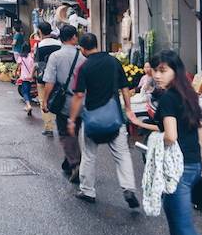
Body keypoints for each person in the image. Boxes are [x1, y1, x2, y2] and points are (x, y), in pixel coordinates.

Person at [128, 50, 202, 235]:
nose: (157, 75)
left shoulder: (168, 100)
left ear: (175, 71)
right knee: (175, 221)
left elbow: (171, 135)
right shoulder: (189, 95)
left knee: (184, 227)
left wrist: (158, 142)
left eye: (163, 70)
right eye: (155, 70)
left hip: (177, 169)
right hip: (193, 165)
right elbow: (195, 129)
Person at [68, 33, 139, 208]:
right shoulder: (114, 62)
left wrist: (71, 119)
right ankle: (128, 188)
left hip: (92, 119)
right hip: (115, 117)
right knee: (122, 155)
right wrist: (128, 110)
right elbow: (125, 88)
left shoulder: (84, 68)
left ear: (83, 49)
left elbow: (78, 95)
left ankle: (87, 190)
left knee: (89, 155)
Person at [41, 25, 86, 182]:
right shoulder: (83, 57)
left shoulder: (55, 56)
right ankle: (68, 163)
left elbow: (50, 82)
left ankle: (75, 163)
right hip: (81, 101)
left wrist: (45, 101)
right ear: (74, 37)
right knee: (74, 131)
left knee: (65, 133)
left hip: (64, 102)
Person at [35, 23, 61, 137]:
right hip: (58, 77)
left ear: (40, 32)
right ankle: (60, 125)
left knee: (43, 101)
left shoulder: (39, 46)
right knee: (59, 98)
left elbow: (37, 64)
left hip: (44, 78)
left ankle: (48, 127)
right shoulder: (59, 44)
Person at [16, 50, 35, 116]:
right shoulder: (31, 56)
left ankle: (28, 105)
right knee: (28, 91)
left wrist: (17, 72)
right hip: (30, 77)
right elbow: (34, 66)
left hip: (24, 77)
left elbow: (18, 65)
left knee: (24, 92)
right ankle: (28, 108)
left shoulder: (21, 57)